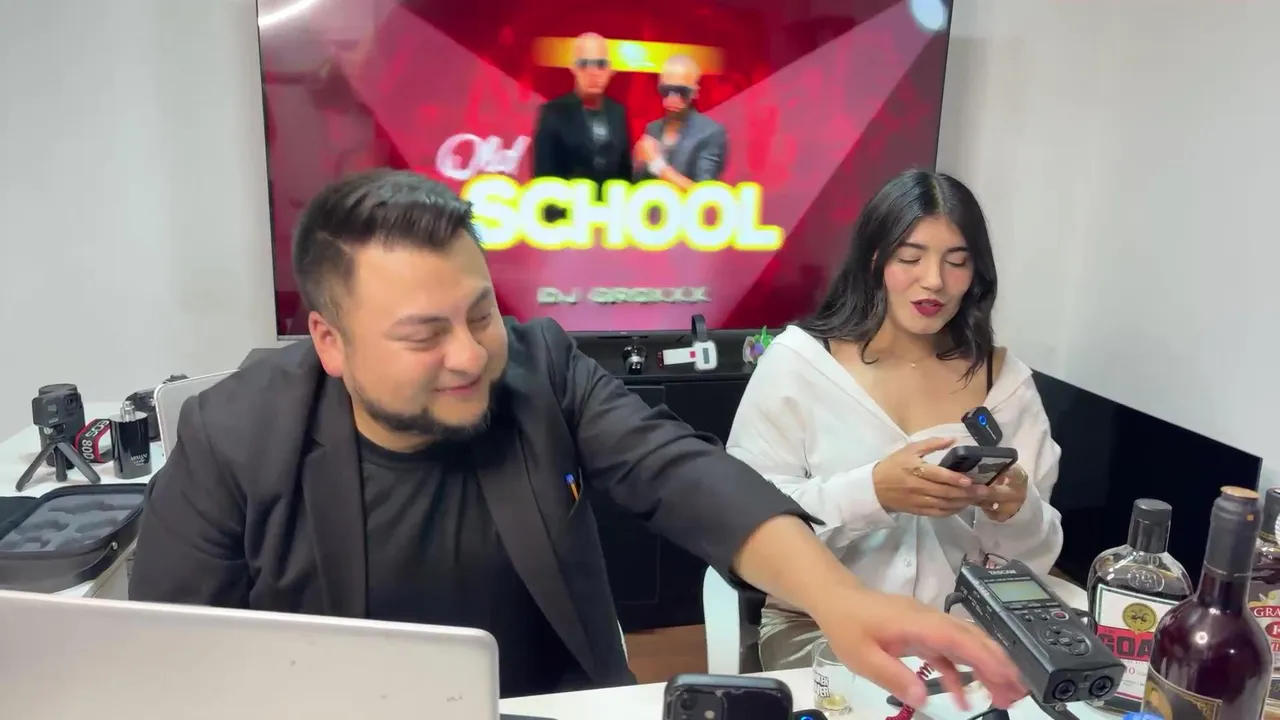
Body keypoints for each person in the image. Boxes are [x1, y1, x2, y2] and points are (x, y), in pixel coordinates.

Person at [130, 169, 1024, 706]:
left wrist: (838, 598)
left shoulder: (540, 366)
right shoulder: (233, 438)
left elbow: (683, 475)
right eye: (422, 335)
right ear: (330, 342)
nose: (468, 356)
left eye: (480, 313)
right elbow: (168, 663)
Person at [726, 169, 1064, 670]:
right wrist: (873, 493)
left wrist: (1014, 509)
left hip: (966, 629)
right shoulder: (799, 364)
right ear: (875, 259)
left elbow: (1036, 557)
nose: (934, 281)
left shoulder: (1005, 383)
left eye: (957, 262)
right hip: (821, 625)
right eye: (910, 258)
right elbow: (745, 519)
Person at [531, 33, 632, 196]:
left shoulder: (618, 112)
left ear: (610, 70)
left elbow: (624, 175)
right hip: (566, 208)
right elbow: (544, 179)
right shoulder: (553, 113)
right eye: (584, 64)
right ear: (573, 68)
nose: (593, 72)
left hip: (611, 209)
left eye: (600, 64)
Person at [633, 55, 727, 188]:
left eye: (682, 91)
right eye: (667, 90)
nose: (673, 98)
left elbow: (704, 193)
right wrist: (638, 164)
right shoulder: (652, 129)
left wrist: (657, 165)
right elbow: (641, 184)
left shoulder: (711, 132)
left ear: (694, 92)